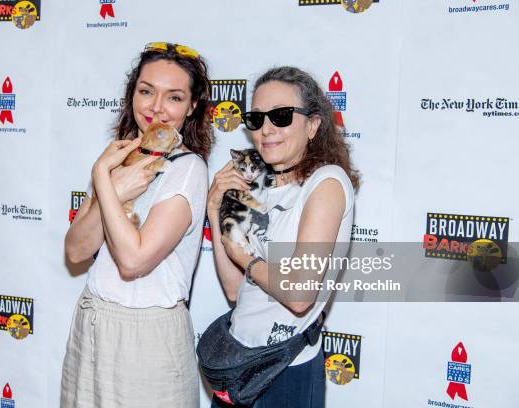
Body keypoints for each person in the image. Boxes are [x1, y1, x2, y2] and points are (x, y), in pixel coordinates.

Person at [61, 42, 212, 408]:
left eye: (174, 97)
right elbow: (77, 251)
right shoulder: (117, 160)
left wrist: (103, 181)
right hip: (92, 322)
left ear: (192, 107)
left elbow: (133, 261)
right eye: (146, 91)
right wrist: (109, 181)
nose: (156, 106)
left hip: (147, 338)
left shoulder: (187, 169)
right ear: (133, 95)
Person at [206, 66, 360, 408]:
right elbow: (235, 289)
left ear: (313, 125)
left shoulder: (327, 183)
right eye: (256, 118)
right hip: (239, 362)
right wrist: (216, 211)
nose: (266, 129)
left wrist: (246, 257)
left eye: (281, 116)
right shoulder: (263, 187)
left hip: (285, 371)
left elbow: (300, 295)